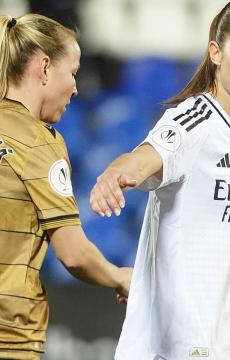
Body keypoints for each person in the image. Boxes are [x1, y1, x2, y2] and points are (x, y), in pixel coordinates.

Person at [88, 1, 230, 359]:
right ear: (216, 53)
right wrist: (115, 174)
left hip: (229, 341)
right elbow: (146, 156)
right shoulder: (194, 120)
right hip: (180, 345)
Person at [0, 14, 131, 360]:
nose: (76, 87)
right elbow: (73, 255)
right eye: (71, 73)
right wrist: (120, 278)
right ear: (44, 68)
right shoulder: (40, 143)